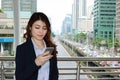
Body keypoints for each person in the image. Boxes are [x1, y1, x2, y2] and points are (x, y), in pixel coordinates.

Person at [15, 12, 59, 80]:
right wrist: (36, 63)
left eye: (44, 28)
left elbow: (55, 74)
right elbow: (19, 77)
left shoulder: (50, 47)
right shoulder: (22, 49)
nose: (41, 31)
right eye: (37, 27)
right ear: (30, 27)